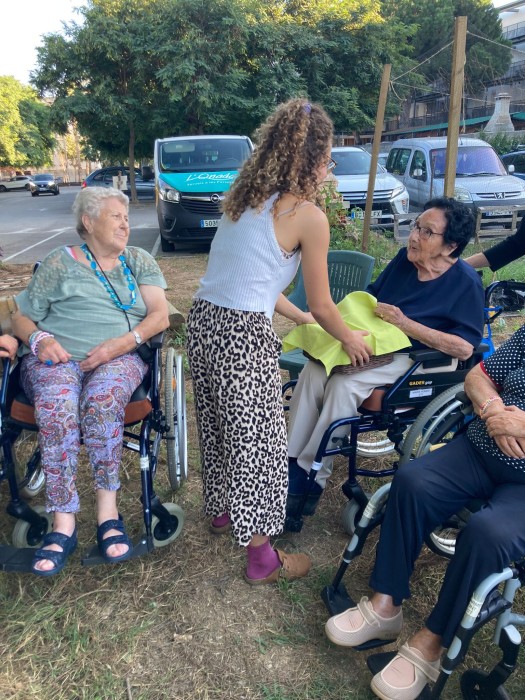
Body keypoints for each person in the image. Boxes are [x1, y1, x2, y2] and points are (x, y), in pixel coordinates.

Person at [186, 98, 373, 585]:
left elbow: (254, 280)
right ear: (312, 159)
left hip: (204, 322)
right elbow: (326, 304)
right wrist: (348, 337)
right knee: (261, 442)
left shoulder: (245, 199)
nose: (328, 170)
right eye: (327, 159)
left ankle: (224, 510)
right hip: (241, 335)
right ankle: (262, 557)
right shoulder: (307, 215)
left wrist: (300, 316)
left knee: (219, 424)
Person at [324, 324, 525, 700]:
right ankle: (386, 604)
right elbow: (479, 375)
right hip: (482, 448)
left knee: (488, 533)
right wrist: (493, 408)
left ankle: (433, 641)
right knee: (413, 481)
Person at [287, 197, 485, 514]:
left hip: (418, 358)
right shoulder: (404, 261)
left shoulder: (465, 283)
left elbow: (464, 347)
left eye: (427, 232)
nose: (414, 236)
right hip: (377, 345)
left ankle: (312, 475)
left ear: (450, 246)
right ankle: (290, 460)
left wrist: (404, 323)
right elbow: (372, 298)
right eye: (416, 226)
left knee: (344, 384)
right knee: (314, 370)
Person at [12, 186, 169, 577]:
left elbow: (159, 316)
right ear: (88, 221)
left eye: (127, 218)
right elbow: (20, 316)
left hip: (120, 357)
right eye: (116, 216)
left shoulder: (138, 259)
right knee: (58, 405)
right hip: (58, 358)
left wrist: (120, 344)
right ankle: (62, 522)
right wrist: (38, 339)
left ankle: (107, 515)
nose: (125, 224)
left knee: (101, 402)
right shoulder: (59, 262)